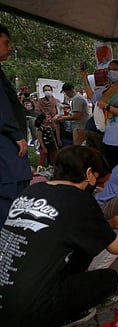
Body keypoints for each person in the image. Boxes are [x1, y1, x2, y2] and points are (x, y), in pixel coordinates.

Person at [0, 145, 118, 327]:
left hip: (4, 296)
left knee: (76, 251)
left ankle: (31, 318)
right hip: (25, 310)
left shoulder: (31, 190)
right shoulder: (79, 199)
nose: (96, 184)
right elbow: (116, 246)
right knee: (107, 280)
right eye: (97, 178)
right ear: (89, 173)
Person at [0, 24, 32, 226]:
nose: (9, 48)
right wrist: (15, 134)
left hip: (10, 145)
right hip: (7, 147)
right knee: (9, 196)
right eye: (5, 43)